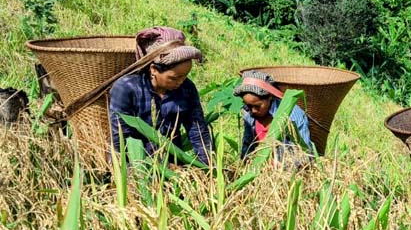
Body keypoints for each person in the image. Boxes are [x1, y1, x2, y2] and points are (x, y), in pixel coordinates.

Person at [109, 26, 213, 166]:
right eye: (175, 78)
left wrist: (208, 167)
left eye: (185, 76)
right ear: (153, 69)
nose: (181, 82)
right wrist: (129, 175)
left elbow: (198, 131)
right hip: (136, 163)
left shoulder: (187, 88)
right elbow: (120, 140)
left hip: (171, 164)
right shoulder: (126, 88)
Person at [233, 70, 313, 160]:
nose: (253, 110)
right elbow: (248, 146)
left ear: (270, 97)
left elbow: (304, 153)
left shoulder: (292, 115)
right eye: (248, 105)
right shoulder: (248, 114)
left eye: (257, 106)